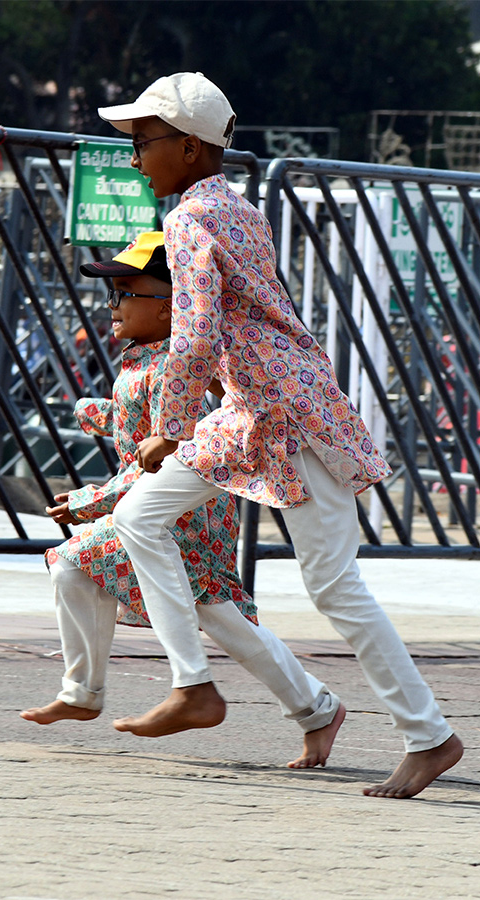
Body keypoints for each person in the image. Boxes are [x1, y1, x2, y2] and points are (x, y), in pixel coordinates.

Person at [97, 73, 463, 798]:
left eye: (144, 142)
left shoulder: (191, 221)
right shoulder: (237, 208)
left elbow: (195, 333)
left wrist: (168, 430)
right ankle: (194, 686)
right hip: (253, 410)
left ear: (193, 150)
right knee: (139, 516)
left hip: (285, 415)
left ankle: (430, 736)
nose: (135, 157)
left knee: (334, 585)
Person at [20, 231, 345, 769]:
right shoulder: (145, 358)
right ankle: (316, 708)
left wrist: (91, 501)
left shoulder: (181, 365)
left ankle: (90, 694)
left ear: (173, 302)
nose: (113, 306)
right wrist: (95, 412)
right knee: (219, 618)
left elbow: (170, 455)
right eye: (113, 294)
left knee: (75, 563)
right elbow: (139, 423)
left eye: (125, 293)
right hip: (162, 509)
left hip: (182, 512)